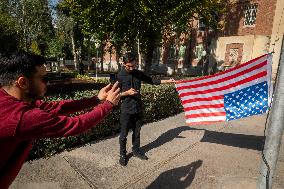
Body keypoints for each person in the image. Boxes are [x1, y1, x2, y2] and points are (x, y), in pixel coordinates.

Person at [0, 52, 120, 188]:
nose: (48, 82)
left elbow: (56, 107)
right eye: (44, 79)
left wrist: (96, 99)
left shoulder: (9, 98)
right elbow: (76, 125)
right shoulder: (22, 117)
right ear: (23, 82)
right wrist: (108, 105)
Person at [117, 52, 175, 166]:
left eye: (133, 65)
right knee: (123, 134)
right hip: (126, 109)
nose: (131, 68)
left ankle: (136, 150)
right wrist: (126, 93)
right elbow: (113, 95)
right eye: (129, 66)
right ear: (123, 63)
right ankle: (123, 154)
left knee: (137, 132)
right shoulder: (119, 76)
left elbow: (152, 80)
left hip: (138, 107)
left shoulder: (138, 73)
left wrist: (169, 81)